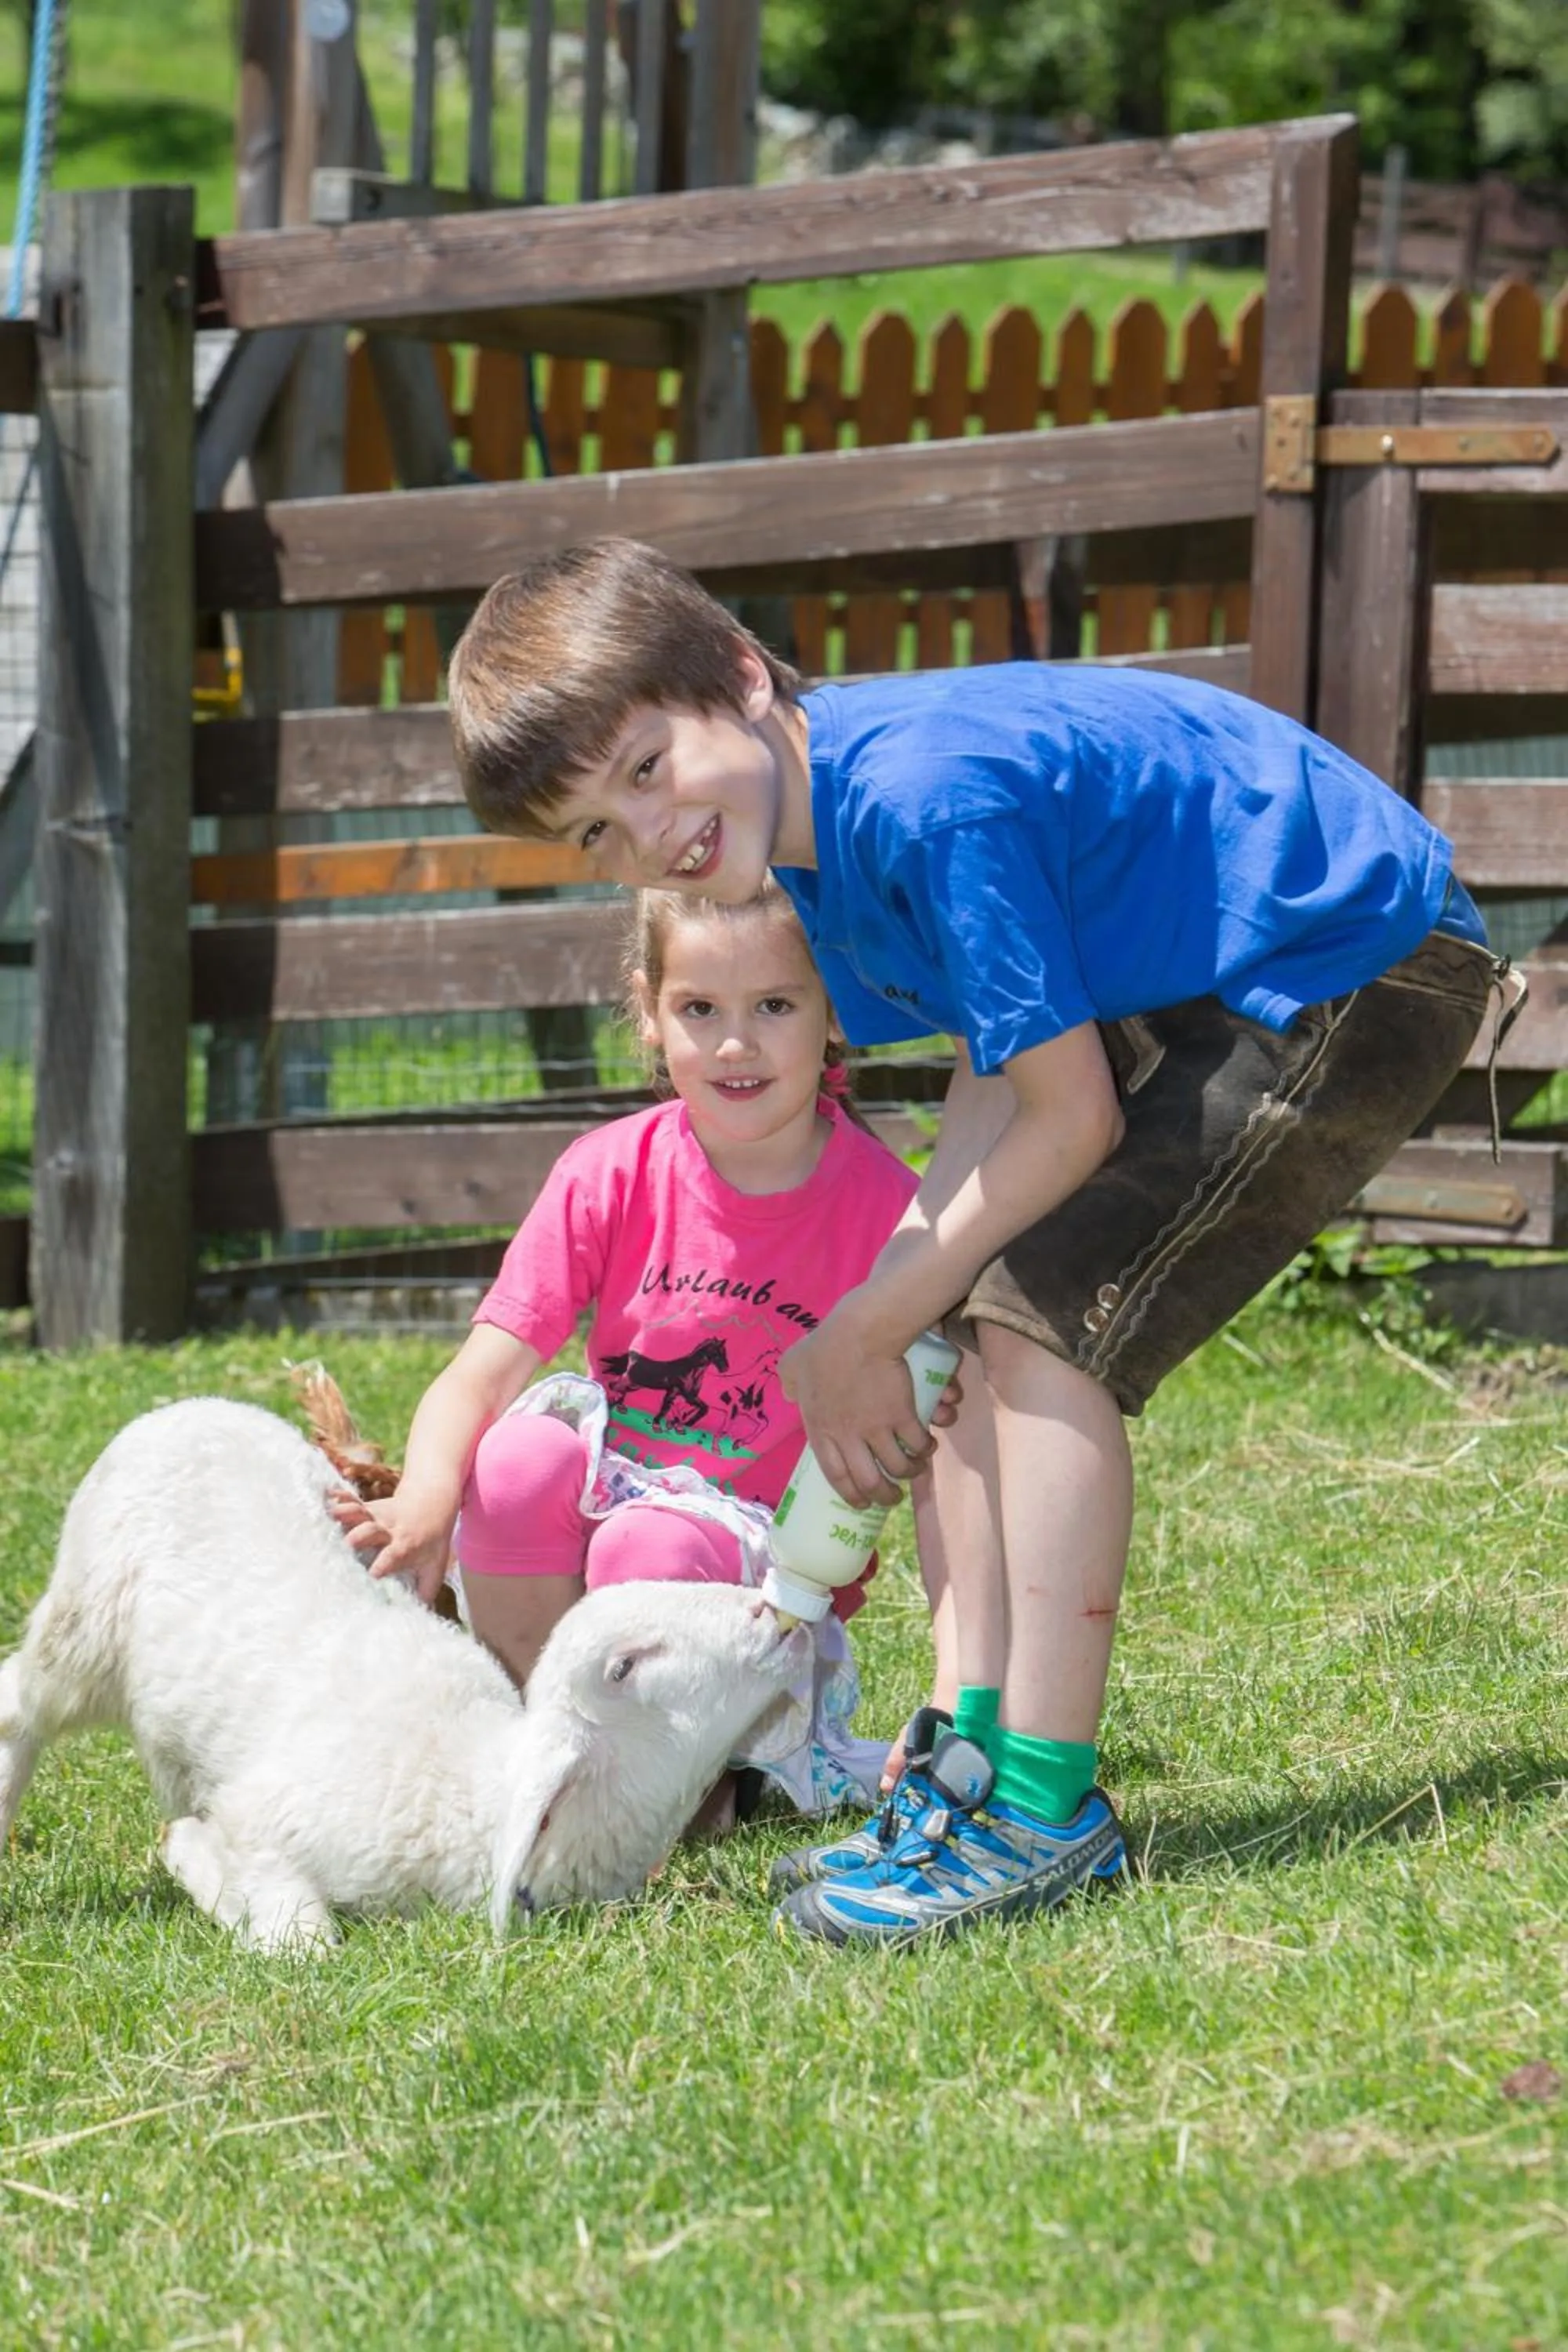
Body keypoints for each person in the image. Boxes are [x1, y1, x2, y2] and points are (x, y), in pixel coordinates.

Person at [445, 535, 1522, 1947]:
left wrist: (873, 1321)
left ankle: (1044, 1815)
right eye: (596, 830)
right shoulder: (820, 853)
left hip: (1346, 957)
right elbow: (996, 1071)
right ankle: (967, 1761)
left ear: (738, 675)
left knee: (1041, 1328)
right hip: (1197, 984)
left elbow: (1066, 1119)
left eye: (645, 769)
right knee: (969, 1331)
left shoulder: (918, 798)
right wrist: (907, 1306)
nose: (648, 839)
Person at [337, 880, 946, 1827]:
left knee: (649, 1540)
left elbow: (932, 1422)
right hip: (613, 1509)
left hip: (755, 1569)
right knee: (514, 1462)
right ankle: (534, 1744)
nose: (734, 1043)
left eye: (774, 1006)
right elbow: (484, 1372)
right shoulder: (607, 1170)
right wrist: (424, 1499)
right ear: (650, 1015)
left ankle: (679, 1788)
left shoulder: (888, 1213)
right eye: (698, 1009)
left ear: (834, 1016)